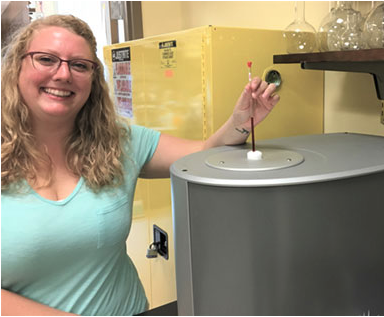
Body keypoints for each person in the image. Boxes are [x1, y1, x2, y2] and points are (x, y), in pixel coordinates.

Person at [1, 14, 280, 316]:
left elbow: (203, 154)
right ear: (16, 65)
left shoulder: (119, 142)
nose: (63, 74)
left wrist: (239, 123)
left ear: (93, 80)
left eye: (80, 65)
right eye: (46, 59)